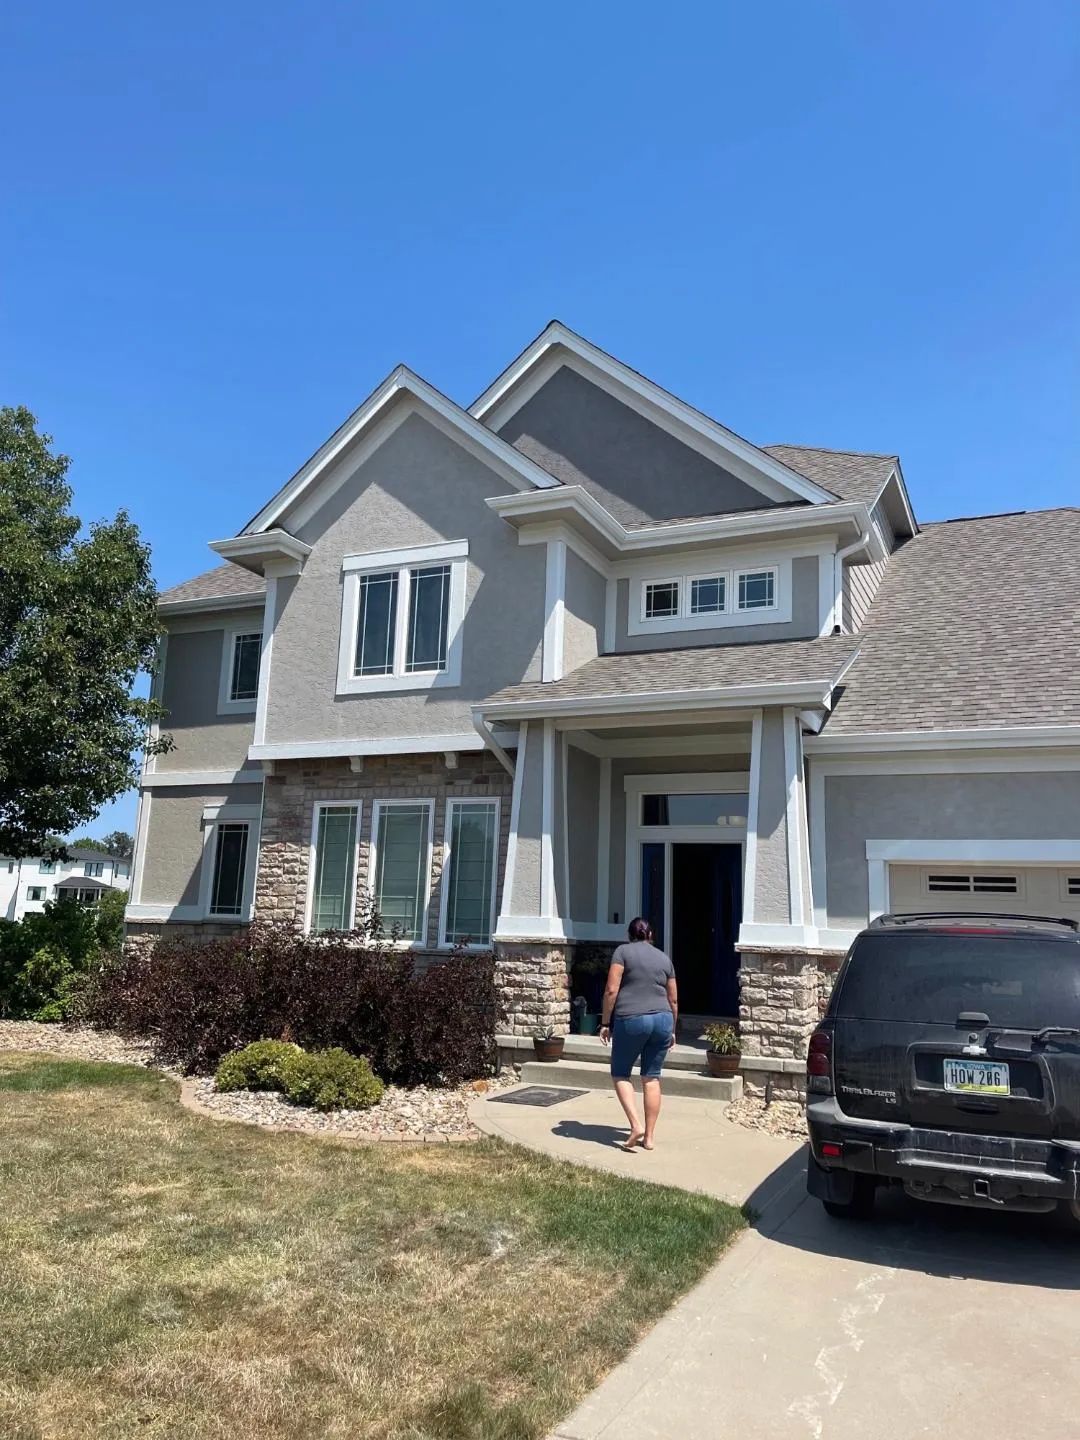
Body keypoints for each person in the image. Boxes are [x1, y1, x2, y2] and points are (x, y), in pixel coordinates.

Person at [600, 917, 678, 1151]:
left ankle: (636, 1126)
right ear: (651, 935)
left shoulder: (622, 952)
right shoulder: (664, 958)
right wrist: (672, 1029)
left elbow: (611, 989)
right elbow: (673, 998)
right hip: (663, 1019)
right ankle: (650, 1138)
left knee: (621, 1073)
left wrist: (605, 1022)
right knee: (652, 1077)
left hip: (632, 1018)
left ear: (629, 934)